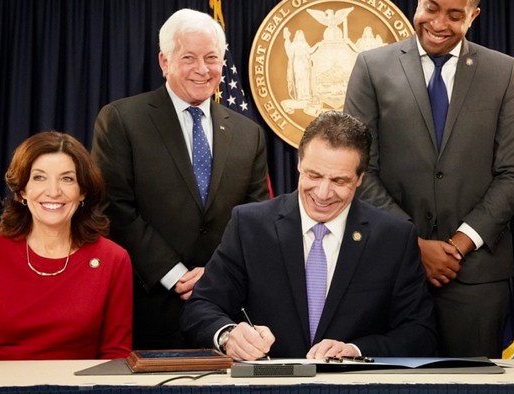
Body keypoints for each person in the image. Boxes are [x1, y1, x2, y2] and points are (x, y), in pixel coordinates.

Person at [343, 0, 514, 358]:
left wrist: (459, 244)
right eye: (431, 8)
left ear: (473, 16)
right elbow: (359, 169)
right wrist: (412, 244)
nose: (439, 23)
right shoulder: (372, 66)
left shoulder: (504, 71)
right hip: (389, 270)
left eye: (454, 15)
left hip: (476, 276)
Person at [181, 111, 436, 360]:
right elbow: (201, 307)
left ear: (359, 179)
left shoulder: (394, 238)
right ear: (299, 163)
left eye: (339, 181)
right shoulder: (250, 226)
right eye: (314, 175)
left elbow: (419, 333)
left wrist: (356, 351)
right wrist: (228, 336)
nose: (323, 193)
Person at [91, 8, 270, 349]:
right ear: (164, 61)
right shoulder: (121, 120)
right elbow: (114, 207)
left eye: (212, 58)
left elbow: (255, 218)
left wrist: (215, 276)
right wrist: (174, 275)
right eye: (189, 57)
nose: (202, 69)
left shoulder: (249, 134)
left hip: (225, 313)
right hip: (146, 308)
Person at [0, 131, 132, 360]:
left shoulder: (113, 259)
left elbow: (115, 354)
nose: (53, 192)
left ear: (82, 191)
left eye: (67, 178)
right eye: (39, 177)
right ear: (22, 191)